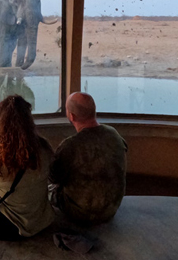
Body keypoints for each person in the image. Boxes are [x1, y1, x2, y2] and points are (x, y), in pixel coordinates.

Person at [0, 95, 55, 240]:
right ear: (29, 120)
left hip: (8, 227)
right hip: (41, 222)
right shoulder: (44, 149)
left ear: (0, 121)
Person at [49, 92, 128, 224]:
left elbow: (54, 177)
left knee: (48, 188)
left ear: (71, 116)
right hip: (111, 208)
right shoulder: (114, 134)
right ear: (94, 111)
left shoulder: (70, 145)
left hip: (80, 213)